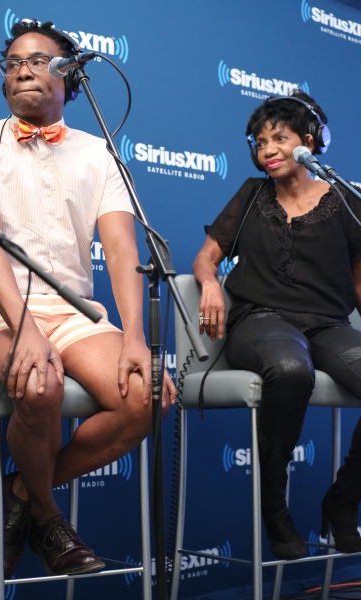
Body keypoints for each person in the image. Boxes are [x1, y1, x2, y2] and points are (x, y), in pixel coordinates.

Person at [0, 20, 176, 578]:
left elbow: (123, 246)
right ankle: (51, 518)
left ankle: (23, 492)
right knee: (39, 382)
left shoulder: (98, 151)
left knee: (146, 395)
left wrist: (134, 338)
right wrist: (26, 329)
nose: (23, 69)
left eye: (38, 60)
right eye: (12, 63)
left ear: (69, 75)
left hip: (75, 311)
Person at [193, 89, 361, 560]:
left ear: (309, 141)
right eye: (260, 141)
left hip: (327, 325)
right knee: (290, 368)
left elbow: (359, 285)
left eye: (279, 138)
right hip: (260, 320)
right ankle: (274, 508)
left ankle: (343, 503)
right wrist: (209, 284)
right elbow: (206, 259)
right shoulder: (250, 195)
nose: (267, 149)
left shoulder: (346, 201)